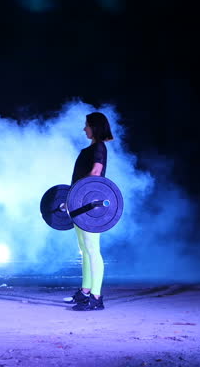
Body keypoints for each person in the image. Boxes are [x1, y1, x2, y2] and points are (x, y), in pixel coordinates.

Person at [64, 111, 114, 311]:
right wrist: (72, 198)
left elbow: (96, 172)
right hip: (79, 204)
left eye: (87, 125)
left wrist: (78, 194)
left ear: (95, 127)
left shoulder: (99, 147)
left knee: (92, 249)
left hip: (90, 206)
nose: (84, 128)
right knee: (84, 249)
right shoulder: (91, 148)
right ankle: (85, 292)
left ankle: (96, 297)